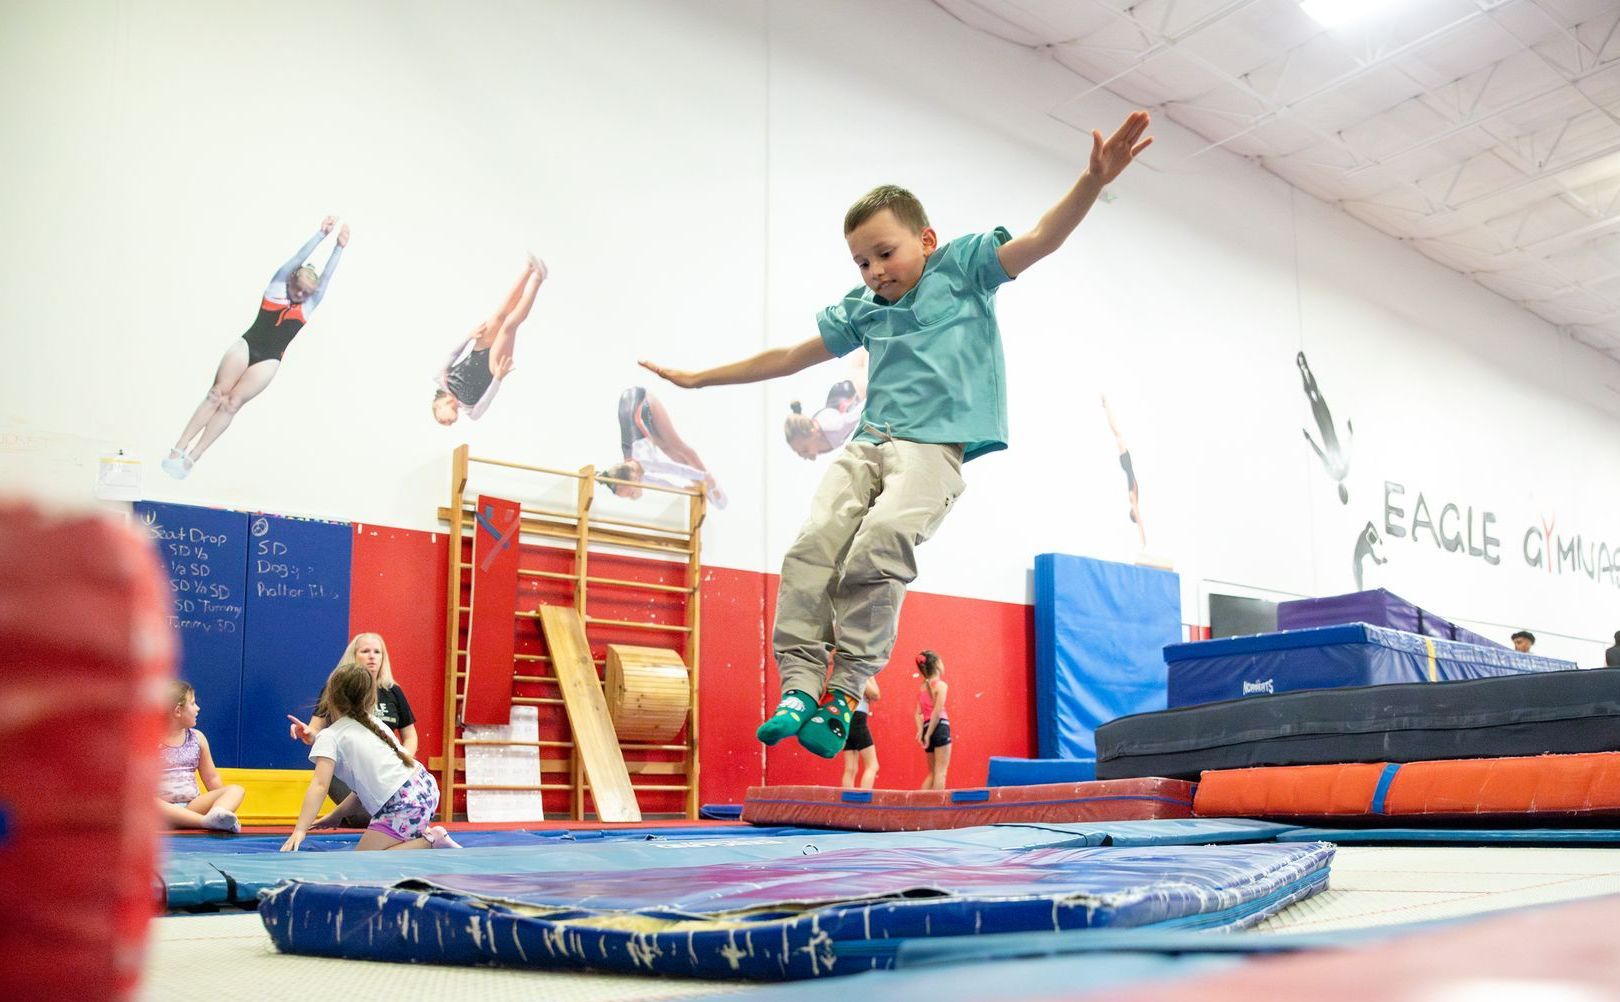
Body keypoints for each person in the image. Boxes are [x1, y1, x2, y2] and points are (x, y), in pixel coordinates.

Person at [640, 111, 1153, 759]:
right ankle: (800, 683)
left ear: (926, 239)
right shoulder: (864, 311)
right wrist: (700, 380)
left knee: (879, 544)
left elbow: (1041, 239)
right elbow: (791, 356)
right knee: (814, 544)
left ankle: (846, 688)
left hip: (934, 448)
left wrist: (1090, 182)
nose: (874, 271)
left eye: (885, 253)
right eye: (861, 262)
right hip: (869, 443)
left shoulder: (963, 267)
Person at [164, 218, 348, 479]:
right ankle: (179, 447)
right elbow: (297, 257)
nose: (300, 295)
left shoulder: (308, 305)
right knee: (216, 394)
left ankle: (194, 456)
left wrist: (339, 248)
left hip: (269, 359)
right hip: (247, 345)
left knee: (231, 404)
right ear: (292, 279)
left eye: (307, 293)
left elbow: (326, 279)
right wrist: (321, 235)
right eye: (297, 288)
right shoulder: (277, 287)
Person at [282, 663, 459, 852]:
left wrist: (300, 830)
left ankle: (430, 840)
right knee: (379, 848)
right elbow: (361, 790)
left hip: (404, 804)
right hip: (424, 789)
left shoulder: (331, 736)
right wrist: (336, 815)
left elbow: (319, 785)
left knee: (364, 861)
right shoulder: (376, 724)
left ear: (330, 697)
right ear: (370, 697)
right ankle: (417, 832)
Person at [287, 633, 417, 828]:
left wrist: (403, 761)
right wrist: (308, 733)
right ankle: (354, 815)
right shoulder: (336, 688)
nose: (372, 656)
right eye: (365, 651)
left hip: (380, 770)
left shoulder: (392, 691)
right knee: (365, 817)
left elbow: (410, 736)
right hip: (347, 773)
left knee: (388, 808)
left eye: (377, 652)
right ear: (353, 656)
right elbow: (316, 731)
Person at [432, 255, 546, 425]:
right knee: (509, 326)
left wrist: (469, 337)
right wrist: (498, 377)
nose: (455, 406)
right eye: (455, 411)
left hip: (479, 349)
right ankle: (538, 278)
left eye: (449, 406)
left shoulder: (441, 379)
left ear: (438, 406)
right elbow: (488, 398)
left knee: (500, 315)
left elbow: (453, 354)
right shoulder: (471, 411)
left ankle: (529, 269)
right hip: (493, 367)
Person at [603, 386, 727, 507]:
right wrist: (683, 490)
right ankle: (702, 486)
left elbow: (675, 470)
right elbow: (660, 484)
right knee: (667, 449)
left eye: (630, 493)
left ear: (633, 477)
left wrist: (703, 476)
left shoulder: (644, 460)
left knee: (676, 447)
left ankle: (711, 482)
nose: (632, 497)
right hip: (631, 411)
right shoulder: (635, 473)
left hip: (641, 399)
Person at [156, 681, 245, 832]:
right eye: (193, 703)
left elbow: (211, 778)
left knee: (236, 790)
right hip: (163, 810)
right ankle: (205, 822)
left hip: (193, 806)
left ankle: (216, 816)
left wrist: (222, 805)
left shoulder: (198, 739)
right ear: (178, 711)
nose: (198, 708)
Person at [786, 350, 869, 460]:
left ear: (813, 432)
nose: (804, 456)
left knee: (867, 355)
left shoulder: (831, 425)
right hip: (851, 384)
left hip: (859, 389)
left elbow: (856, 414)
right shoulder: (820, 440)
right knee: (862, 354)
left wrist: (873, 395)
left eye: (804, 450)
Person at [1297, 351, 1352, 505]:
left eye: (1341, 494)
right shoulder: (1343, 470)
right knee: (1317, 396)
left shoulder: (1335, 473)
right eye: (1343, 493)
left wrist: (1309, 439)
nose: (1341, 491)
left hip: (1323, 428)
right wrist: (1350, 433)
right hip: (1328, 426)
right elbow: (1348, 448)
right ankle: (1305, 368)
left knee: (1313, 398)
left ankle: (1303, 370)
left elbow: (1321, 454)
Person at [1101, 394, 1146, 548]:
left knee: (1117, 432)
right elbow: (1139, 520)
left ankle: (1107, 406)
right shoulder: (1134, 499)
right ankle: (1106, 406)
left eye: (1134, 513)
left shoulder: (1133, 500)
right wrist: (1142, 537)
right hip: (1126, 464)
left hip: (1126, 464)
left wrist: (1142, 537)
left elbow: (1139, 519)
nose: (1136, 512)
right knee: (1117, 433)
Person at [914, 651, 951, 790]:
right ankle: (938, 810)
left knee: (932, 773)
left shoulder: (922, 688)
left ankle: (920, 807)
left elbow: (917, 713)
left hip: (927, 726)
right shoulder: (941, 686)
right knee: (941, 772)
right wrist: (928, 734)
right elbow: (937, 712)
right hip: (940, 727)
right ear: (936, 665)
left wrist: (921, 731)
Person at [840, 677, 881, 790]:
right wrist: (871, 676)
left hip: (846, 717)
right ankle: (864, 799)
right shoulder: (861, 671)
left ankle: (847, 803)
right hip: (858, 719)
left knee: (850, 768)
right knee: (872, 765)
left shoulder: (845, 670)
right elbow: (876, 694)